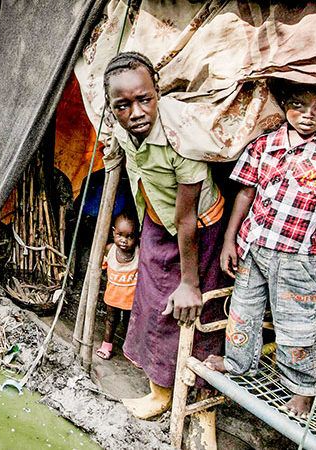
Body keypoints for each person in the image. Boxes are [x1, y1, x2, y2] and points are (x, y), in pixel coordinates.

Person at [204, 81, 316, 419]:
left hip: (297, 257)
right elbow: (246, 194)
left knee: (297, 325)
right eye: (298, 104)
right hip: (253, 245)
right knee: (242, 312)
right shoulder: (265, 144)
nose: (308, 115)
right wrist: (230, 240)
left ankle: (303, 389)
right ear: (283, 104)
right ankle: (237, 363)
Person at [103, 52, 226, 419]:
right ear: (112, 109)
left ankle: (186, 392)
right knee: (152, 305)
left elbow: (186, 218)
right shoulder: (125, 130)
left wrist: (189, 281)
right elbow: (133, 168)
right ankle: (160, 387)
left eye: (144, 100)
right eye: (123, 106)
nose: (136, 112)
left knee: (186, 307)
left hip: (198, 229)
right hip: (158, 220)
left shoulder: (180, 140)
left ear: (157, 92)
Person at [96, 211, 139, 360]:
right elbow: (100, 265)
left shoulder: (139, 253)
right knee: (110, 320)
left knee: (130, 322)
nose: (123, 240)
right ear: (114, 232)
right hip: (113, 296)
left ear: (138, 237)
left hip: (130, 299)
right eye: (120, 235)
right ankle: (107, 345)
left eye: (129, 237)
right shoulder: (109, 249)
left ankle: (130, 349)